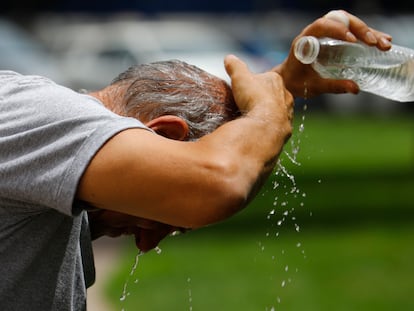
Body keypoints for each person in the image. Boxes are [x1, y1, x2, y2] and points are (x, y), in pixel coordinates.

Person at [0, 10, 391, 311]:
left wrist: (282, 84)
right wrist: (268, 114)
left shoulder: (48, 157)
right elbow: (217, 183)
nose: (148, 242)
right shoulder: (37, 113)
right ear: (167, 136)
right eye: (166, 219)